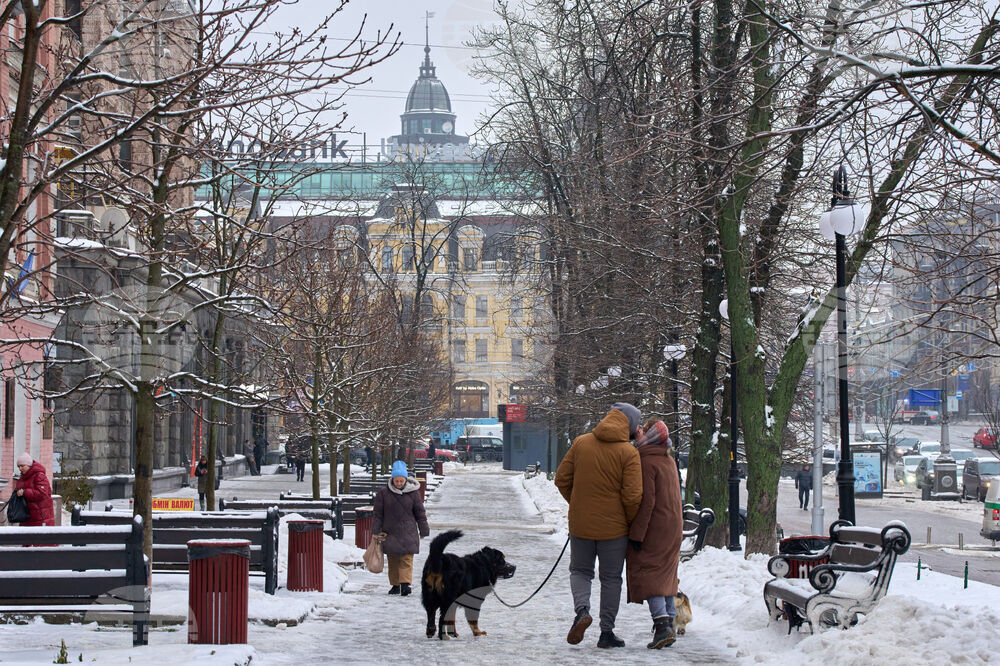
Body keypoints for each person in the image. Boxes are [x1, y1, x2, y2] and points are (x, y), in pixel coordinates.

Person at [555, 402, 643, 649]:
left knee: (580, 571)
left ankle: (582, 610)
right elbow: (633, 496)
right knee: (611, 578)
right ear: (630, 425)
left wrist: (578, 504)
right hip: (614, 530)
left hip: (581, 525)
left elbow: (561, 479)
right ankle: (606, 633)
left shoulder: (582, 443)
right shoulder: (628, 453)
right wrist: (625, 518)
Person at [625, 418, 683, 649]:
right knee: (665, 577)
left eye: (641, 432)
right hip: (672, 527)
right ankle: (668, 623)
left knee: (650, 574)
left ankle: (661, 627)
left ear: (649, 438)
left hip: (655, 528)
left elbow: (646, 502)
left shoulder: (646, 461)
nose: (636, 434)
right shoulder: (668, 460)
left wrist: (637, 535)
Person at [371, 460, 429, 596]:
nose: (399, 483)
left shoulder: (413, 493)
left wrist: (424, 530)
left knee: (407, 559)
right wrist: (375, 530)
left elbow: (420, 513)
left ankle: (405, 584)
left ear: (405, 479)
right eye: (396, 481)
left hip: (408, 532)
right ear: (392, 480)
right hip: (390, 532)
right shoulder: (383, 494)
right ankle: (395, 585)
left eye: (401, 481)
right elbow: (378, 514)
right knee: (393, 560)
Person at [13, 452, 55, 526]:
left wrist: (24, 492)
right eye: (18, 466)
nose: (20, 468)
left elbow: (42, 494)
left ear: (29, 465)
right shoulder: (22, 478)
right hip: (26, 517)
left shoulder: (39, 476)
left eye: (22, 466)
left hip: (41, 518)